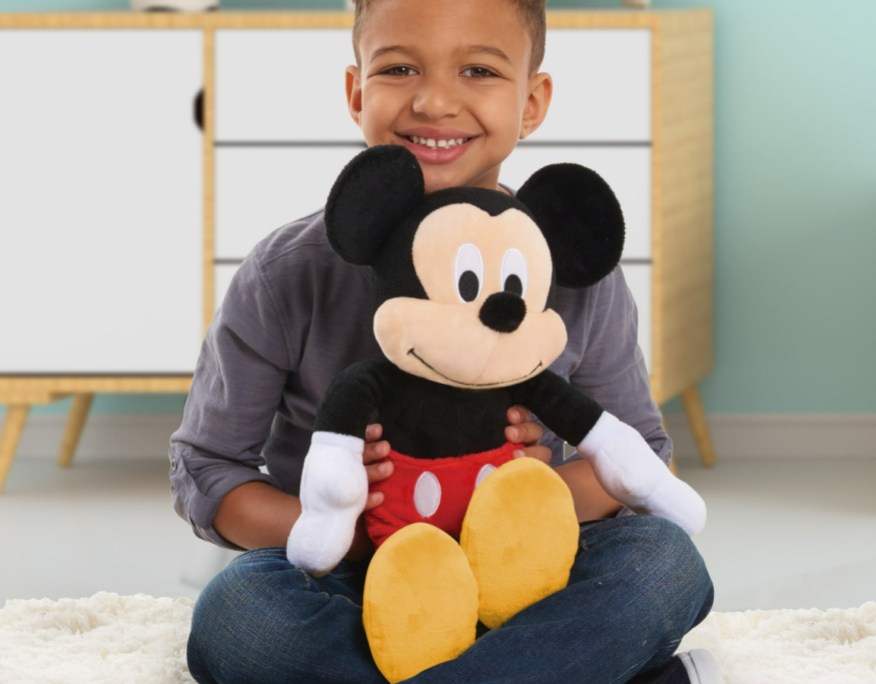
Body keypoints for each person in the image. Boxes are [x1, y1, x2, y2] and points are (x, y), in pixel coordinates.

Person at [170, 0, 718, 682]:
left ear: (532, 101)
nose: (434, 100)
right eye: (399, 68)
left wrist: (536, 490)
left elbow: (640, 456)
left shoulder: (572, 274)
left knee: (663, 565)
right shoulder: (290, 270)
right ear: (355, 91)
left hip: (523, 577)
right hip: (357, 576)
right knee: (240, 618)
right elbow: (208, 469)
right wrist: (337, 524)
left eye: (479, 70)